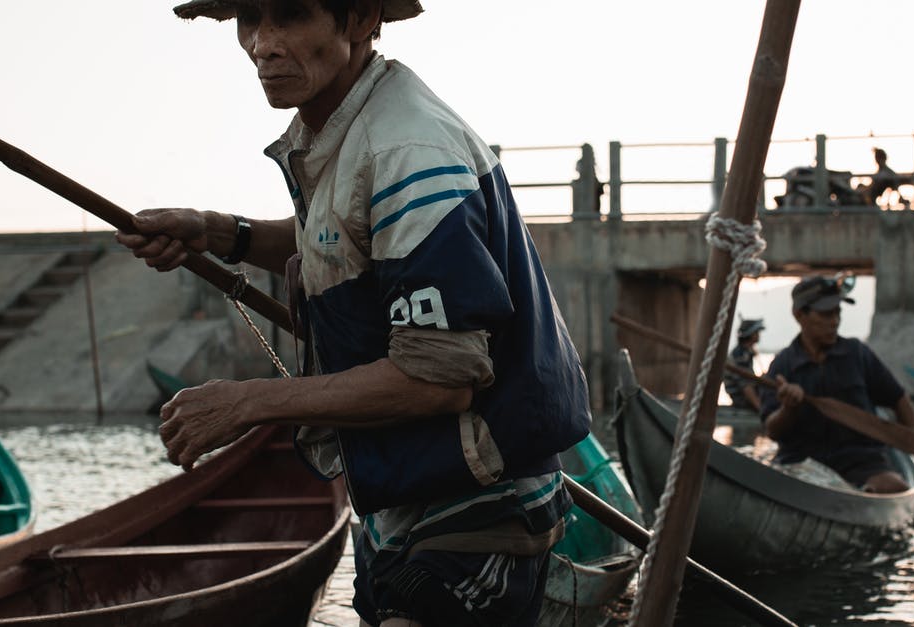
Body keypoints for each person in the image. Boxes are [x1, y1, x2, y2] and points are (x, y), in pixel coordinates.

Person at [115, 1, 592, 625]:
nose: (263, 44)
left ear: (362, 17)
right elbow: (339, 235)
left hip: (475, 511)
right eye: (249, 19)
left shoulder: (408, 152)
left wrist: (245, 404)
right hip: (399, 504)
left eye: (290, 15)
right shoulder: (352, 126)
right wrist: (216, 231)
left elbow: (439, 378)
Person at [757, 275, 914, 493]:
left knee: (894, 486)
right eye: (825, 314)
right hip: (801, 464)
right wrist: (789, 408)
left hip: (862, 463)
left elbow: (899, 400)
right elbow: (773, 430)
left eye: (837, 313)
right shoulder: (782, 366)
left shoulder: (857, 354)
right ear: (799, 315)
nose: (834, 321)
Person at [723, 318, 765, 412]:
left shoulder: (746, 352)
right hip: (741, 399)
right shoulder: (740, 356)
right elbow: (746, 386)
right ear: (751, 335)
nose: (759, 335)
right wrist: (761, 408)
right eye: (757, 332)